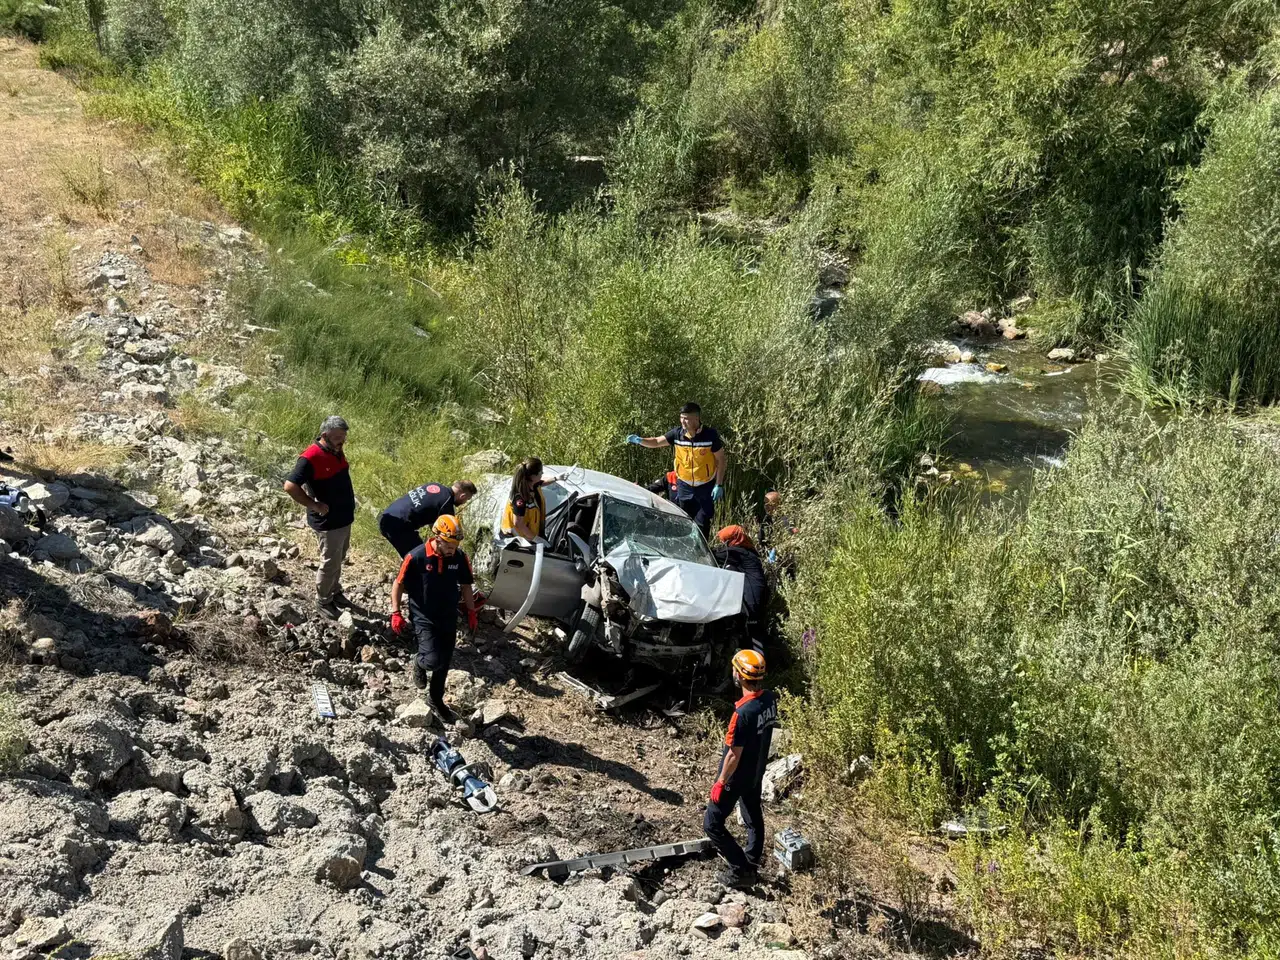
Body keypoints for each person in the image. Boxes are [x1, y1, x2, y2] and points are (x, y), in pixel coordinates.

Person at [389, 515, 477, 723]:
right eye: (449, 544)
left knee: (444, 662)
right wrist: (396, 612)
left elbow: (466, 585)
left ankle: (435, 699)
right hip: (423, 615)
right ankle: (419, 662)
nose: (452, 549)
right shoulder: (416, 557)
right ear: (437, 538)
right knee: (432, 660)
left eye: (456, 544)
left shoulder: (459, 557)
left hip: (448, 615)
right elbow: (398, 584)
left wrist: (471, 612)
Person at [704, 649, 779, 889]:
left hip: (736, 776)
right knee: (752, 813)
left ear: (738, 675)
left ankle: (741, 870)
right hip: (757, 770)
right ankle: (752, 859)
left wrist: (720, 782)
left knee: (712, 824)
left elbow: (733, 755)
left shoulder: (742, 714)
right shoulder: (769, 699)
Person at [284, 416, 355, 620]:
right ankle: (323, 601)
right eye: (338, 437)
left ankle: (334, 591)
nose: (342, 441)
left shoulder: (335, 448)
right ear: (325, 436)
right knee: (330, 562)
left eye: (344, 436)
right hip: (328, 522)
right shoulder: (310, 457)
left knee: (339, 557)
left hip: (343, 518)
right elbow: (290, 486)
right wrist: (314, 504)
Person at [627, 402, 726, 538]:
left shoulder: (710, 436)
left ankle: (702, 555)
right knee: (683, 523)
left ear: (696, 418)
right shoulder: (677, 434)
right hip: (684, 486)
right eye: (681, 417)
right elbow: (656, 441)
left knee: (702, 523)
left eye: (686, 418)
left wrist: (718, 484)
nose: (683, 421)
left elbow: (721, 460)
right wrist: (640, 440)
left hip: (705, 486)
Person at [379, 480, 478, 558]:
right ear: (462, 496)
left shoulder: (435, 486)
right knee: (419, 557)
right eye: (467, 499)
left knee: (413, 555)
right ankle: (408, 582)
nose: (465, 502)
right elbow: (448, 535)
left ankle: (408, 580)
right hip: (399, 525)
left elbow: (434, 525)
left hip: (387, 516)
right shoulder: (446, 505)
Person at [713, 525, 770, 655]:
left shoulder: (739, 552)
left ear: (733, 539)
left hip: (752, 600)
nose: (724, 544)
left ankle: (758, 666)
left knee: (753, 633)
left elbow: (712, 555)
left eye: (725, 541)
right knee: (748, 633)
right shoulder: (746, 551)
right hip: (753, 598)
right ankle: (748, 666)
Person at [500, 457, 565, 541]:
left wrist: (556, 478)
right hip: (516, 541)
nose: (542, 473)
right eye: (540, 472)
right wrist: (535, 538)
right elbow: (518, 524)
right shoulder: (519, 498)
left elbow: (542, 483)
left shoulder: (531, 484)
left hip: (528, 537)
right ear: (533, 476)